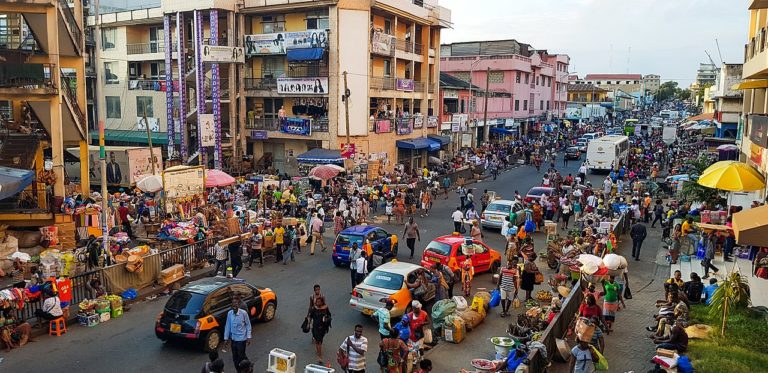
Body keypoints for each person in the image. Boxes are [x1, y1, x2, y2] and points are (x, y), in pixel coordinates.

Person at [223, 296, 251, 369]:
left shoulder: (243, 313)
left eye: (236, 304)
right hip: (233, 339)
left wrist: (248, 337)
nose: (234, 305)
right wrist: (226, 338)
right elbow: (227, 326)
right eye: (233, 304)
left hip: (241, 339)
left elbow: (248, 324)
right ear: (231, 306)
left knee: (241, 356)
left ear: (238, 305)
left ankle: (247, 368)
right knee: (235, 357)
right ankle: (239, 370)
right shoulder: (229, 314)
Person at [309, 296, 332, 364]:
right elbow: (310, 316)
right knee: (318, 341)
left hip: (323, 327)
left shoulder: (325, 308)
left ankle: (318, 349)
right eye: (316, 301)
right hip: (315, 327)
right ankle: (320, 356)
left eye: (319, 301)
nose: (317, 303)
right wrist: (308, 324)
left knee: (320, 340)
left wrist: (326, 319)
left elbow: (329, 315)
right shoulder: (314, 309)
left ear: (322, 302)